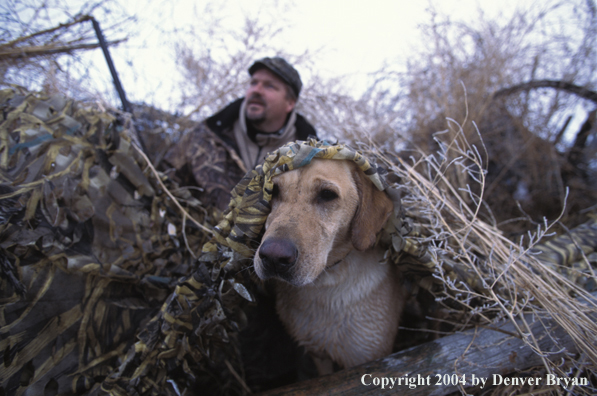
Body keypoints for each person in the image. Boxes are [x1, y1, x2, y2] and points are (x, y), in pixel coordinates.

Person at [163, 57, 317, 211]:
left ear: (290, 103)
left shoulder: (311, 161)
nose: (256, 90)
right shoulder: (205, 137)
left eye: (269, 86)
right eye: (253, 83)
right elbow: (163, 187)